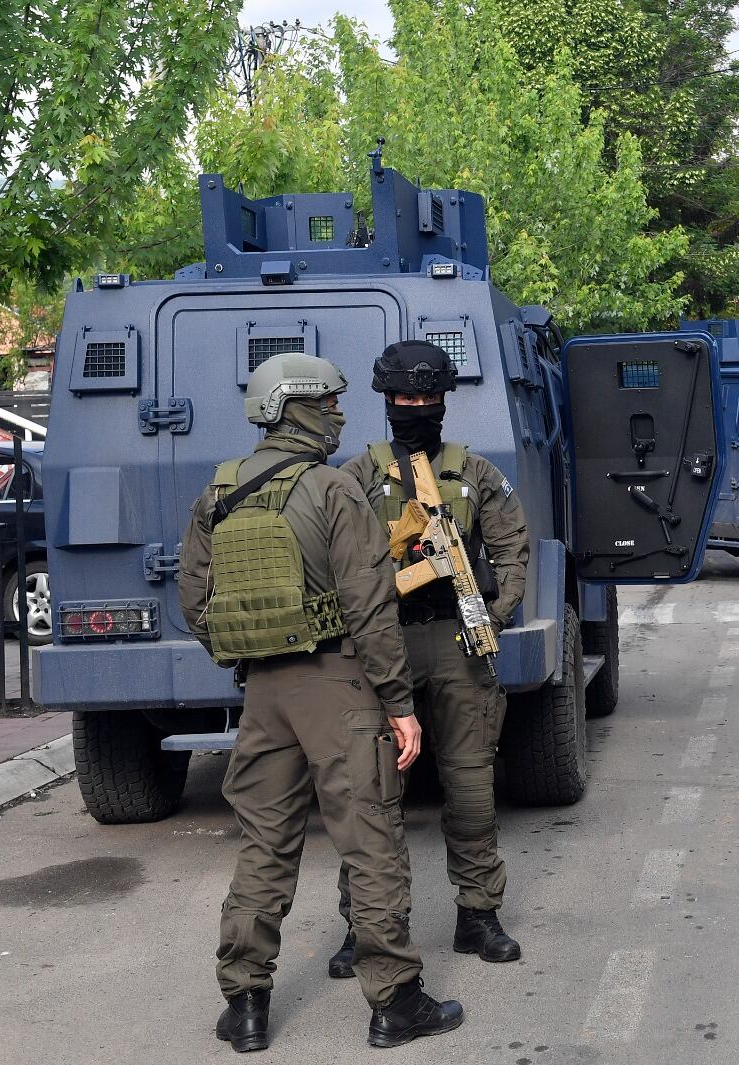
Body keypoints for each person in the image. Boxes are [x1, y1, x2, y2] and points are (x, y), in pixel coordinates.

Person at [178, 352, 463, 1052]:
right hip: (339, 686)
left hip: (263, 693)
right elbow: (371, 610)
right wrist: (399, 702)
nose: (340, 413)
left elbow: (195, 602)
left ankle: (245, 1002)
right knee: (370, 840)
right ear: (295, 408)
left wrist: (253, 650)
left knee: (264, 844)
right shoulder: (335, 490)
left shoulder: (218, 492)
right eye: (329, 403)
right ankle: (394, 1001)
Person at [326, 340, 530, 977]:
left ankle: (478, 914)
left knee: (470, 787)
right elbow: (333, 562)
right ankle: (364, 925)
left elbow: (513, 551)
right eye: (404, 398)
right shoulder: (358, 476)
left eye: (426, 398)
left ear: (443, 401)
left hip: (455, 641)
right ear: (386, 401)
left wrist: (488, 618)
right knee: (371, 795)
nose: (415, 408)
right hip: (380, 646)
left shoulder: (475, 475)